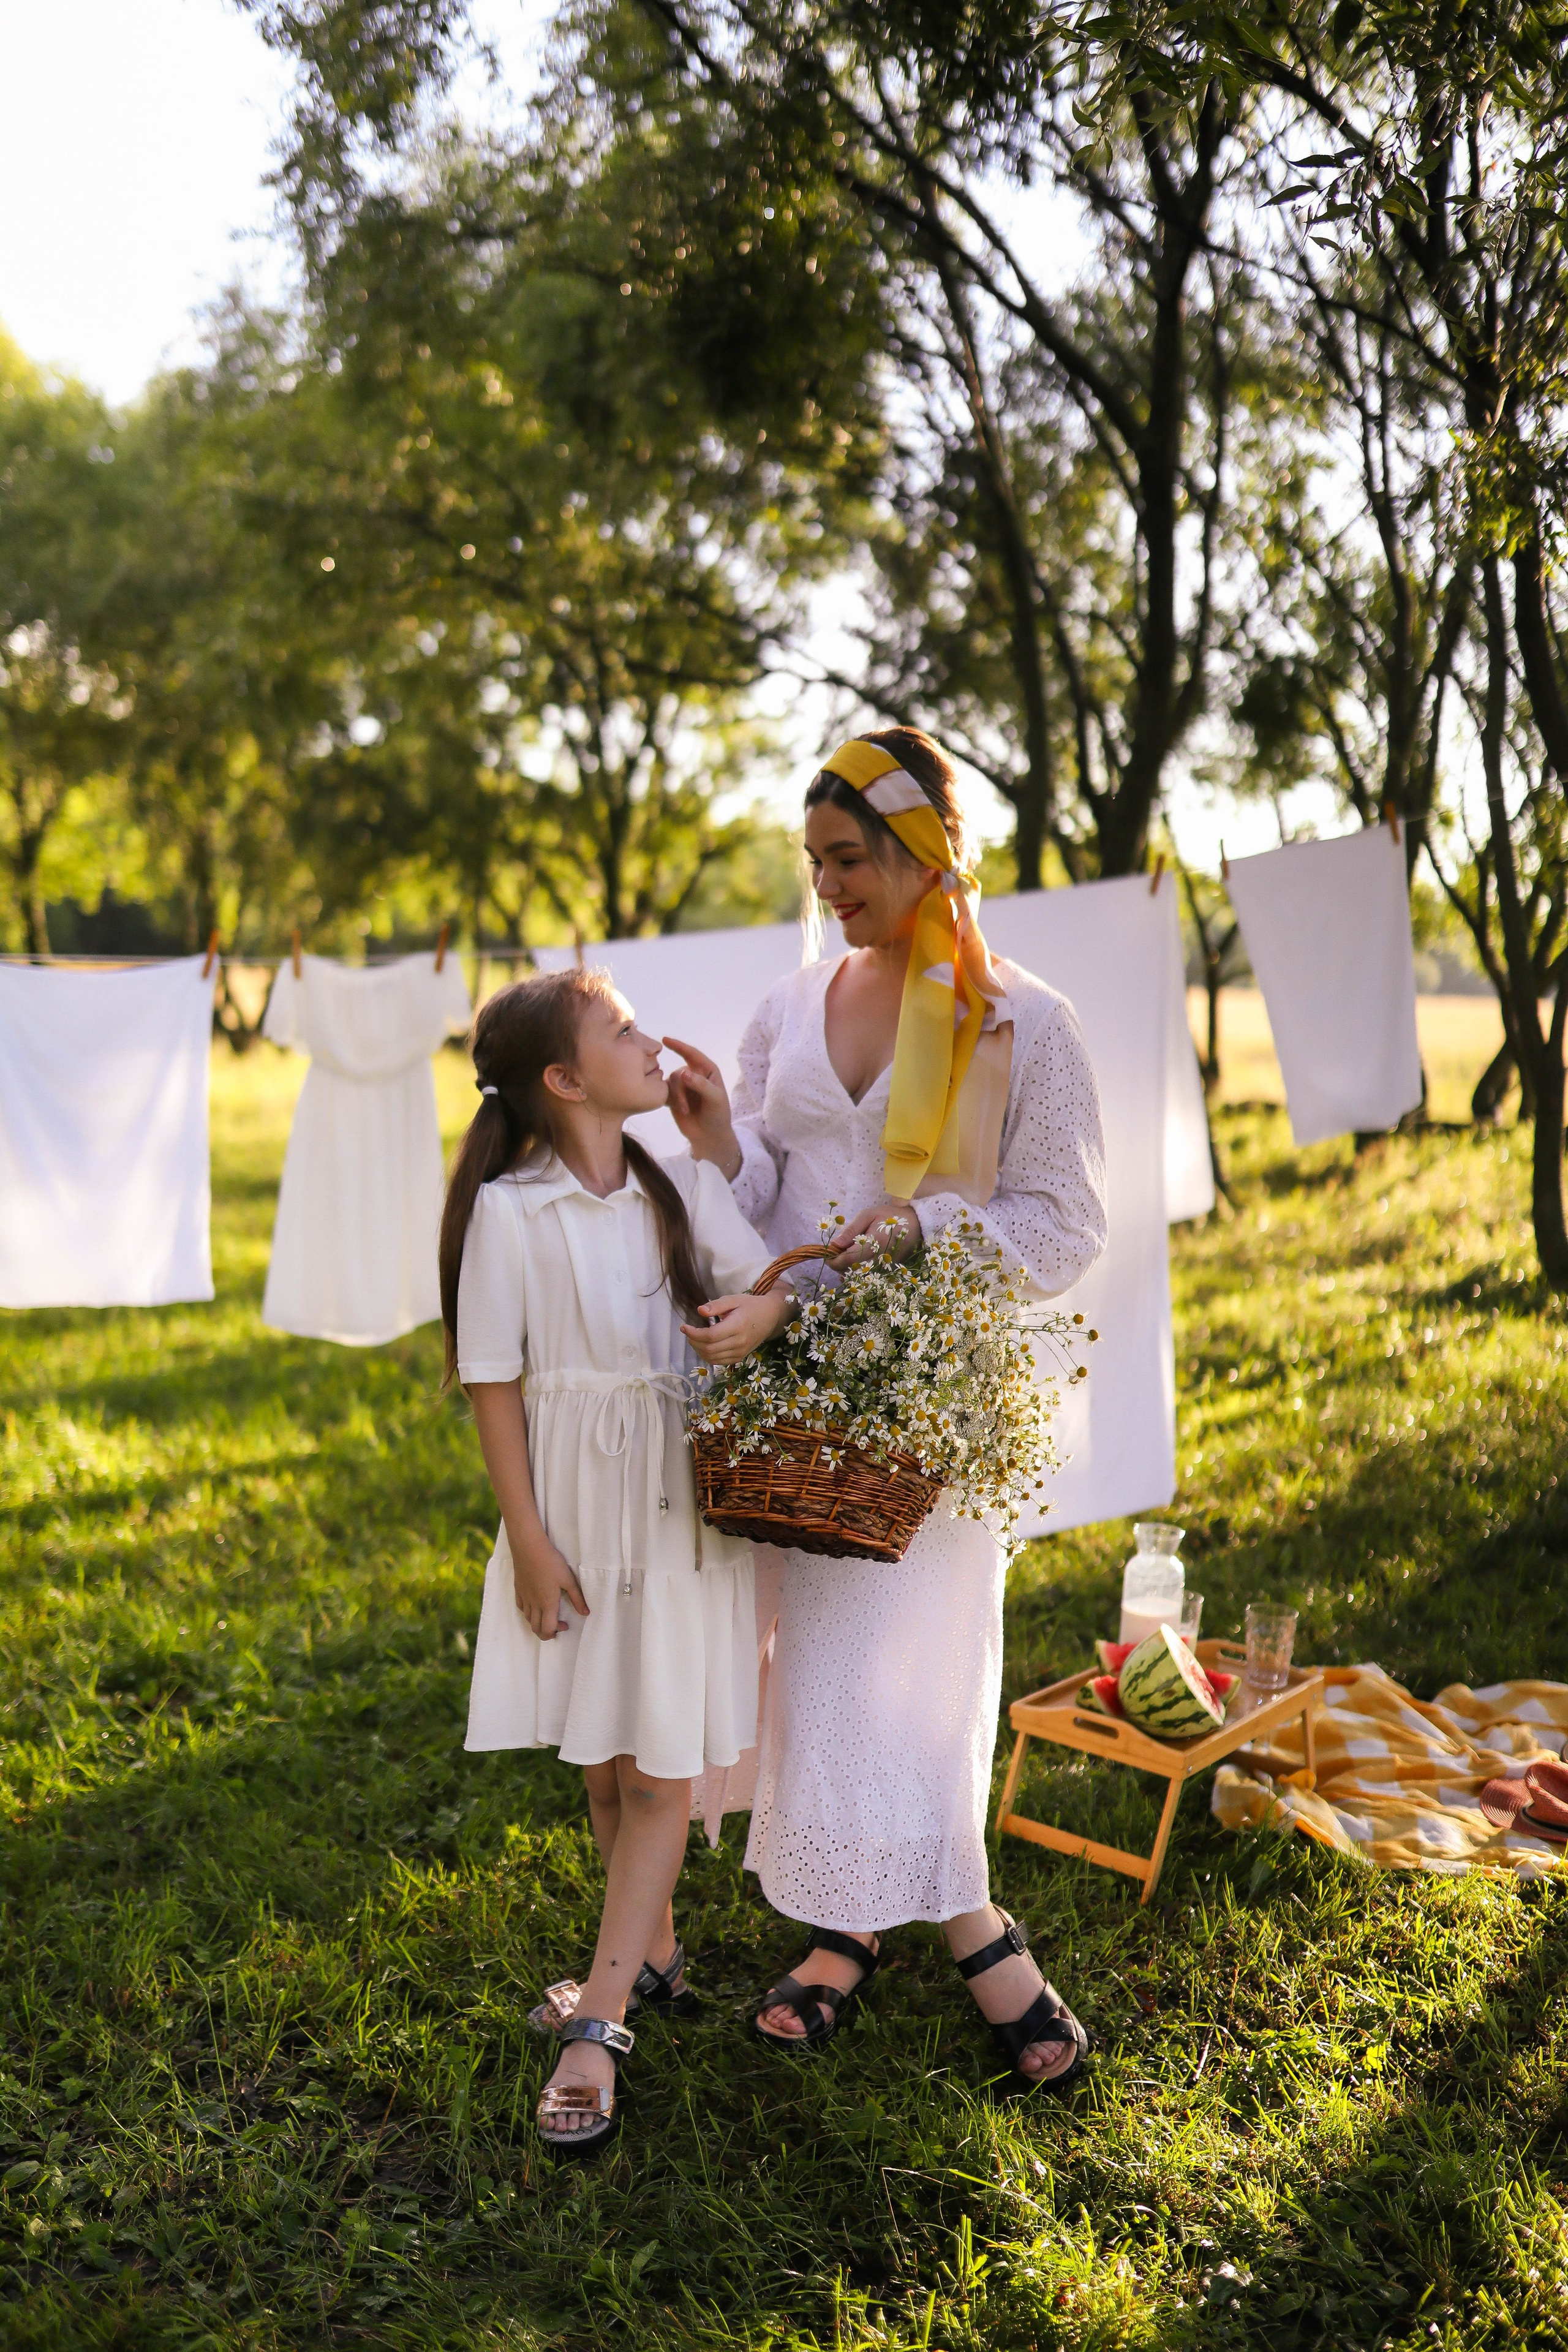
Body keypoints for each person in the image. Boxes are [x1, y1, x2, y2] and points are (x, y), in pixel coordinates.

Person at [666, 728, 1109, 2098]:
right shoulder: (786, 1009)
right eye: (814, 862)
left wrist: (923, 1230)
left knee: (916, 1664)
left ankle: (969, 1922)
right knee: (813, 1662)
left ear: (924, 853)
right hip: (792, 1393)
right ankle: (851, 1917)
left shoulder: (1022, 1020)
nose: (828, 886)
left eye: (848, 859)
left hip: (935, 1400)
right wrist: (718, 1145)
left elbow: (1066, 1226)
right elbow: (755, 1215)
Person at [440, 967, 793, 2155]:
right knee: (600, 1762)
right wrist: (528, 1543)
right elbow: (491, 1385)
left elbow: (766, 1290)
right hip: (576, 1516)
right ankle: (649, 1956)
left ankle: (596, 2025)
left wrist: (720, 1144)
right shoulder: (510, 1213)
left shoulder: (678, 1182)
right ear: (562, 1078)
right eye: (624, 1028)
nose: (653, 1040)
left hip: (673, 1506)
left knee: (650, 1777)